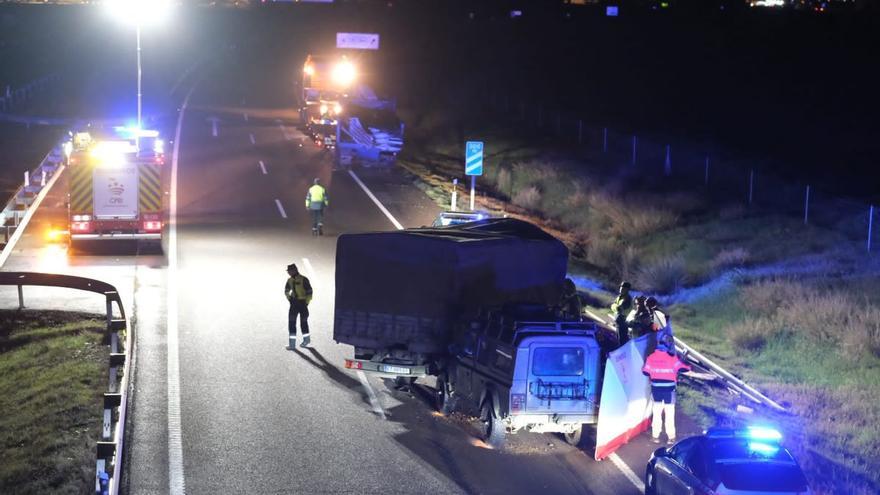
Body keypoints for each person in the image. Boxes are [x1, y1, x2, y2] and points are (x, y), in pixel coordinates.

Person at [642, 334, 691, 444]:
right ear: (668, 345)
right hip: (669, 391)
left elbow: (645, 372)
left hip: (656, 391)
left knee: (657, 413)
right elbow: (685, 369)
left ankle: (655, 437)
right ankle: (671, 438)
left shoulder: (650, 358)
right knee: (669, 414)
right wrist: (687, 364)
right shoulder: (672, 358)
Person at [284, 263, 313, 349]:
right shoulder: (289, 280)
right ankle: (292, 344)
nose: (289, 273)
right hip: (294, 303)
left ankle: (306, 340)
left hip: (302, 303)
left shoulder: (304, 279)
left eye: (290, 271)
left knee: (303, 322)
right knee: (291, 323)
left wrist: (306, 303)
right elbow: (286, 291)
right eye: (288, 271)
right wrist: (290, 299)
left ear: (295, 270)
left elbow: (310, 292)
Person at [610, 281, 633, 345]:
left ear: (627, 290)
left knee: (622, 340)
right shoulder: (619, 297)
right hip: (619, 321)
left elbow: (619, 309)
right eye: (621, 287)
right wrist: (615, 307)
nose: (621, 289)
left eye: (623, 288)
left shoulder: (627, 299)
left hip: (623, 321)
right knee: (618, 338)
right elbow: (612, 306)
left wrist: (615, 307)